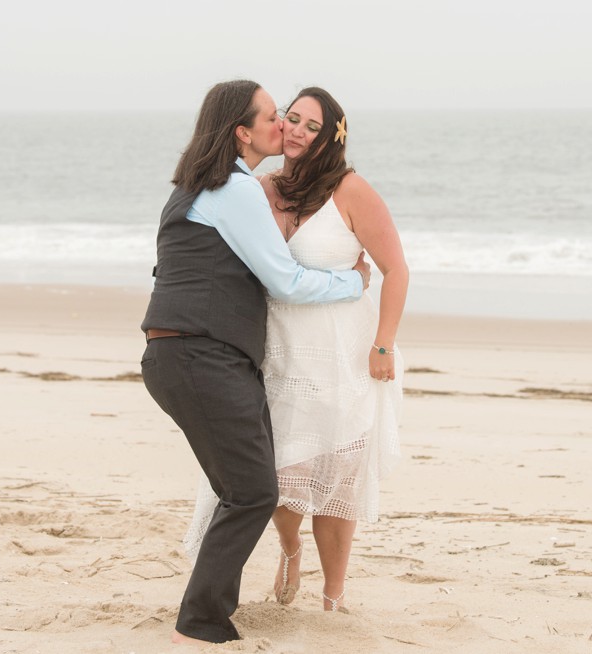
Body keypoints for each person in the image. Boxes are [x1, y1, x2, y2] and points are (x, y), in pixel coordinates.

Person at [140, 80, 371, 646]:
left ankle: (207, 610)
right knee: (252, 493)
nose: (283, 126)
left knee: (242, 489)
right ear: (243, 132)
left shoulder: (198, 185)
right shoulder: (236, 189)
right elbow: (285, 280)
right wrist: (354, 281)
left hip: (186, 353)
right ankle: (201, 621)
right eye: (272, 116)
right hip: (200, 355)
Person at [260, 87, 408, 612]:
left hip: (345, 357)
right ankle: (290, 547)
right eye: (292, 118)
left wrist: (384, 346)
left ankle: (333, 595)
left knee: (336, 479)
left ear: (331, 137)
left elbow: (395, 271)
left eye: (311, 125)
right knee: (279, 475)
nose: (297, 130)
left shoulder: (351, 191)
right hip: (279, 355)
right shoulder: (262, 189)